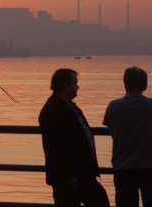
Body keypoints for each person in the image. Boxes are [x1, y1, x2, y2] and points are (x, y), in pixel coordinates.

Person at [39, 68, 110, 207]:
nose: (78, 86)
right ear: (66, 85)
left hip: (80, 173)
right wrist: (67, 176)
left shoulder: (66, 106)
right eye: (75, 82)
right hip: (70, 177)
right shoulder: (54, 110)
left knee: (100, 200)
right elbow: (54, 147)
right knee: (99, 200)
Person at [103, 66, 152, 207]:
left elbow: (112, 131)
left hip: (123, 167)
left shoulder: (114, 106)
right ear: (144, 84)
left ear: (125, 83)